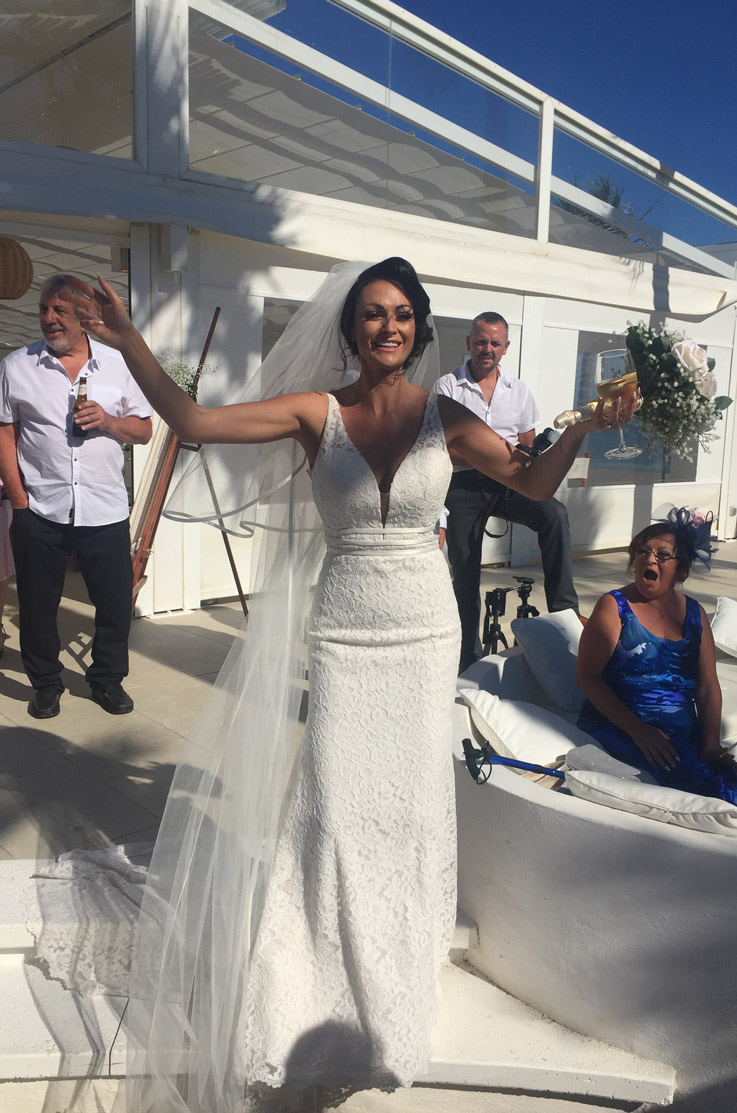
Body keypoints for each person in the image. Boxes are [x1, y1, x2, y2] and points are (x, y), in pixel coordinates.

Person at [59, 259, 628, 1112]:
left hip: (425, 633)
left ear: (419, 327)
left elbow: (532, 480)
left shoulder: (449, 416)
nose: (387, 326)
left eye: (401, 314)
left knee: (405, 806)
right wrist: (128, 335)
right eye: (371, 314)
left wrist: (585, 429)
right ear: (351, 328)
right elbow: (191, 419)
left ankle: (389, 980)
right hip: (346, 632)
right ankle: (313, 976)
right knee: (330, 804)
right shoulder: (315, 413)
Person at [0, 275, 153, 719]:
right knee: (37, 603)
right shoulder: (17, 366)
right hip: (40, 508)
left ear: (86, 318)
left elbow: (143, 430)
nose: (49, 318)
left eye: (60, 311)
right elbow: (5, 433)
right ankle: (46, 684)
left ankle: (106, 681)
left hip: (103, 508)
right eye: (44, 309)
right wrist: (19, 500)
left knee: (111, 604)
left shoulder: (119, 364)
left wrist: (107, 421)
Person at [436, 312, 579, 672]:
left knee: (555, 515)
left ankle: (567, 622)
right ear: (469, 343)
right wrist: (488, 453)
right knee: (466, 569)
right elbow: (438, 448)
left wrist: (530, 455)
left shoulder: (519, 390)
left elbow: (528, 448)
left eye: (495, 343)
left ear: (506, 348)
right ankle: (465, 658)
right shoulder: (447, 387)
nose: (487, 349)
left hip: (509, 482)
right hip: (462, 484)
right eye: (481, 342)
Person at [576, 508, 737, 801]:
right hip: (624, 726)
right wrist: (639, 731)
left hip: (681, 732)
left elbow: (708, 685)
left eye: (662, 555)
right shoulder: (614, 607)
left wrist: (711, 744)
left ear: (682, 570)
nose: (649, 559)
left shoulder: (694, 613)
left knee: (729, 777)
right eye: (642, 552)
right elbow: (587, 678)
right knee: (708, 793)